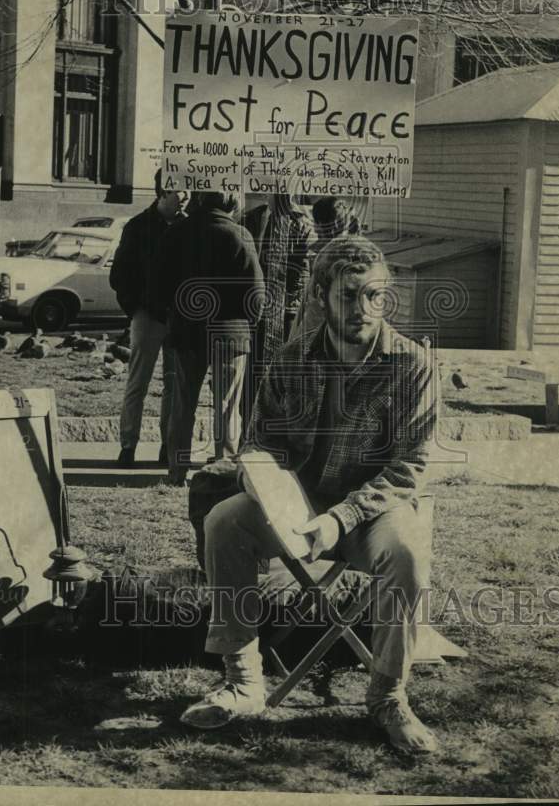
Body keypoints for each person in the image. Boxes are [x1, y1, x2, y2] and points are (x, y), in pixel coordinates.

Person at [180, 235, 440, 756]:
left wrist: (340, 520)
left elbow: (409, 467)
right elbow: (262, 442)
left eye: (376, 295)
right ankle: (244, 680)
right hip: (296, 510)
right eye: (350, 295)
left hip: (372, 514)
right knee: (224, 521)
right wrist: (264, 482)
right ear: (321, 295)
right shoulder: (291, 357)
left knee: (409, 552)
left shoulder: (412, 364)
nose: (366, 308)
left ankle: (388, 696)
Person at [160, 191, 265, 486]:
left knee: (182, 405)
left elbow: (158, 283)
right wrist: (248, 325)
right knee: (228, 408)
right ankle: (222, 472)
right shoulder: (239, 234)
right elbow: (256, 293)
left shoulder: (176, 232)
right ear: (230, 203)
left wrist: (174, 315)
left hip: (186, 330)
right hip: (230, 333)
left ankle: (176, 471)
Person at [109, 170, 189, 467]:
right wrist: (136, 310)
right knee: (138, 382)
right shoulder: (138, 226)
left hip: (178, 318)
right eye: (181, 191)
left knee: (173, 385)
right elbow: (119, 275)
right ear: (163, 192)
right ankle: (128, 446)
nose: (186, 197)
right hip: (147, 316)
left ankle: (167, 448)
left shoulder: (188, 226)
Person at [240, 192, 315, 438]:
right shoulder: (254, 218)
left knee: (281, 376)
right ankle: (247, 435)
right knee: (252, 377)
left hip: (285, 314)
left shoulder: (301, 223)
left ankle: (273, 437)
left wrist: (283, 297)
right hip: (257, 311)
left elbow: (302, 270)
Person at [288, 196, 362, 340]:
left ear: (324, 225)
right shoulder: (357, 250)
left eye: (317, 223)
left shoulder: (327, 257)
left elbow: (316, 306)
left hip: (321, 332)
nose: (314, 228)